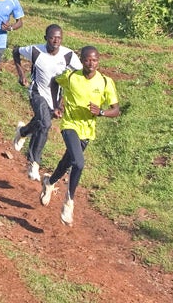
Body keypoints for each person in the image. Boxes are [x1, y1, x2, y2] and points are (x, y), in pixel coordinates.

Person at [39, 45, 120, 227]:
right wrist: (57, 105)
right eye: (87, 60)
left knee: (67, 162)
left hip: (87, 130)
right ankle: (69, 202)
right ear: (81, 60)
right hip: (70, 125)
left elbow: (116, 110)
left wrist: (101, 112)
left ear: (98, 61)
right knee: (79, 163)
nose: (91, 63)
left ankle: (49, 182)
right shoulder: (71, 77)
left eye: (95, 60)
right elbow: (54, 82)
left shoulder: (105, 82)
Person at [11, 25, 82, 181]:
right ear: (45, 38)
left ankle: (22, 132)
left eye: (59, 38)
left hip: (54, 100)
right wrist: (21, 74)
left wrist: (63, 103)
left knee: (41, 122)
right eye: (52, 37)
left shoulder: (68, 55)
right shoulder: (36, 51)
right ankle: (34, 162)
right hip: (36, 93)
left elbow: (80, 76)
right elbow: (16, 51)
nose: (56, 40)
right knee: (45, 123)